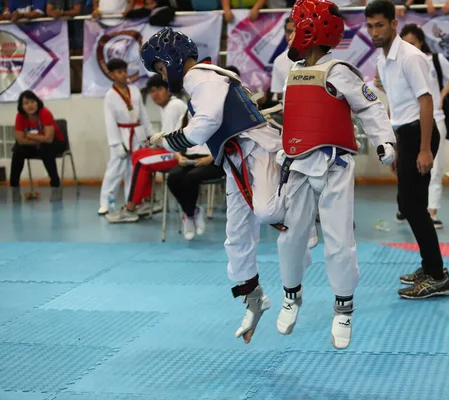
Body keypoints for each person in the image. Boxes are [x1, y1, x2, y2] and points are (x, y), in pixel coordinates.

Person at [141, 27, 305, 344]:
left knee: (269, 210)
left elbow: (205, 126)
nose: (162, 77)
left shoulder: (199, 77)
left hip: (258, 148)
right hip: (235, 157)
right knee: (235, 234)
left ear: (171, 59)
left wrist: (171, 141)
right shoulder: (203, 78)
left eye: (160, 68)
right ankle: (253, 297)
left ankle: (307, 195)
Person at [275, 0, 395, 350]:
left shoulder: (339, 69)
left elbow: (370, 105)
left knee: (339, 241)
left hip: (334, 165)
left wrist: (385, 140)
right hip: (297, 165)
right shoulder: (292, 70)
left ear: (312, 30)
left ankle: (343, 307)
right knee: (289, 238)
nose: (293, 33)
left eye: (297, 26)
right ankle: (291, 295)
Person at [365, 0, 449, 299]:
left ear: (393, 24)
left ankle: (437, 275)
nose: (374, 31)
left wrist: (425, 149)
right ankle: (430, 267)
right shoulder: (382, 60)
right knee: (408, 203)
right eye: (370, 25)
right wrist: (396, 147)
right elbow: (397, 107)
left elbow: (425, 101)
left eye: (379, 24)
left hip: (421, 134)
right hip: (406, 134)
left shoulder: (411, 57)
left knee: (414, 206)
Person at [398, 23, 449, 229]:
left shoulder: (434, 60)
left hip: (435, 118)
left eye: (413, 43)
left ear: (421, 42)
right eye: (405, 43)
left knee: (434, 165)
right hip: (408, 121)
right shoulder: (400, 62)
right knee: (406, 168)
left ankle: (432, 211)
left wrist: (442, 94)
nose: (409, 47)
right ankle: (409, 207)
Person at [105, 74, 188, 223]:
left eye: (159, 89)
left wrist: (154, 147)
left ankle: (130, 208)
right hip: (176, 150)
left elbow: (169, 144)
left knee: (142, 161)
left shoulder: (173, 107)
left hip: (182, 155)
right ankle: (146, 201)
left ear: (168, 90)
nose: (155, 94)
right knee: (138, 155)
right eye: (152, 91)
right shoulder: (168, 106)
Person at [98, 58, 153, 215]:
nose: (123, 75)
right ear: (111, 75)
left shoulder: (134, 89)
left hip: (136, 133)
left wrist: (149, 134)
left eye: (124, 71)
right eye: (119, 72)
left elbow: (143, 114)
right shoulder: (110, 96)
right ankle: (106, 202)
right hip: (121, 135)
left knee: (135, 170)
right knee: (114, 170)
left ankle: (133, 201)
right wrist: (116, 143)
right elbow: (110, 122)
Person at [10, 90, 66, 202]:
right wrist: (40, 140)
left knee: (46, 148)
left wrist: (29, 135)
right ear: (21, 106)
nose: (30, 105)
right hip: (37, 144)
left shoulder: (45, 113)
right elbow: (20, 140)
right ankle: (14, 187)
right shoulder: (20, 116)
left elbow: (49, 139)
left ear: (37, 102)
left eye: (32, 101)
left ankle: (55, 186)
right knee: (18, 150)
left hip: (56, 143)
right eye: (26, 103)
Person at [270, 17, 295, 101]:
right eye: (289, 31)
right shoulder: (279, 61)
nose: (292, 36)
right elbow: (278, 94)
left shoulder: (316, 55)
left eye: (296, 31)